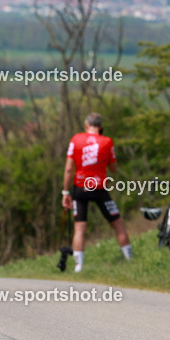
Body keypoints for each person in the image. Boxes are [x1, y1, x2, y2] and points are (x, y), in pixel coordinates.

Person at [62, 112, 131, 272]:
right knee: (118, 224)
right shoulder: (107, 141)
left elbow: (68, 168)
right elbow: (113, 168)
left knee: (80, 228)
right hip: (99, 188)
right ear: (100, 127)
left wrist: (65, 192)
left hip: (79, 188)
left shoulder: (76, 139)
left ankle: (78, 266)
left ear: (86, 125)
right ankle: (129, 259)